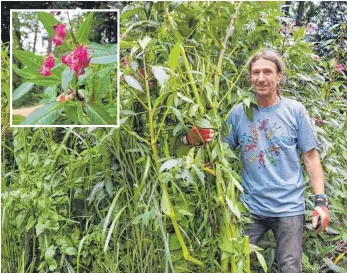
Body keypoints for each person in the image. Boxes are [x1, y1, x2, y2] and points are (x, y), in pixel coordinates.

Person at [183, 48, 329, 273]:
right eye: (256, 72)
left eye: (268, 72)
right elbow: (219, 153)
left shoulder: (294, 111)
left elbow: (310, 158)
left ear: (279, 76)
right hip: (250, 207)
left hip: (289, 207)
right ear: (250, 77)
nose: (261, 78)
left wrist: (321, 203)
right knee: (236, 264)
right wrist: (192, 139)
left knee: (290, 268)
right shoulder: (239, 113)